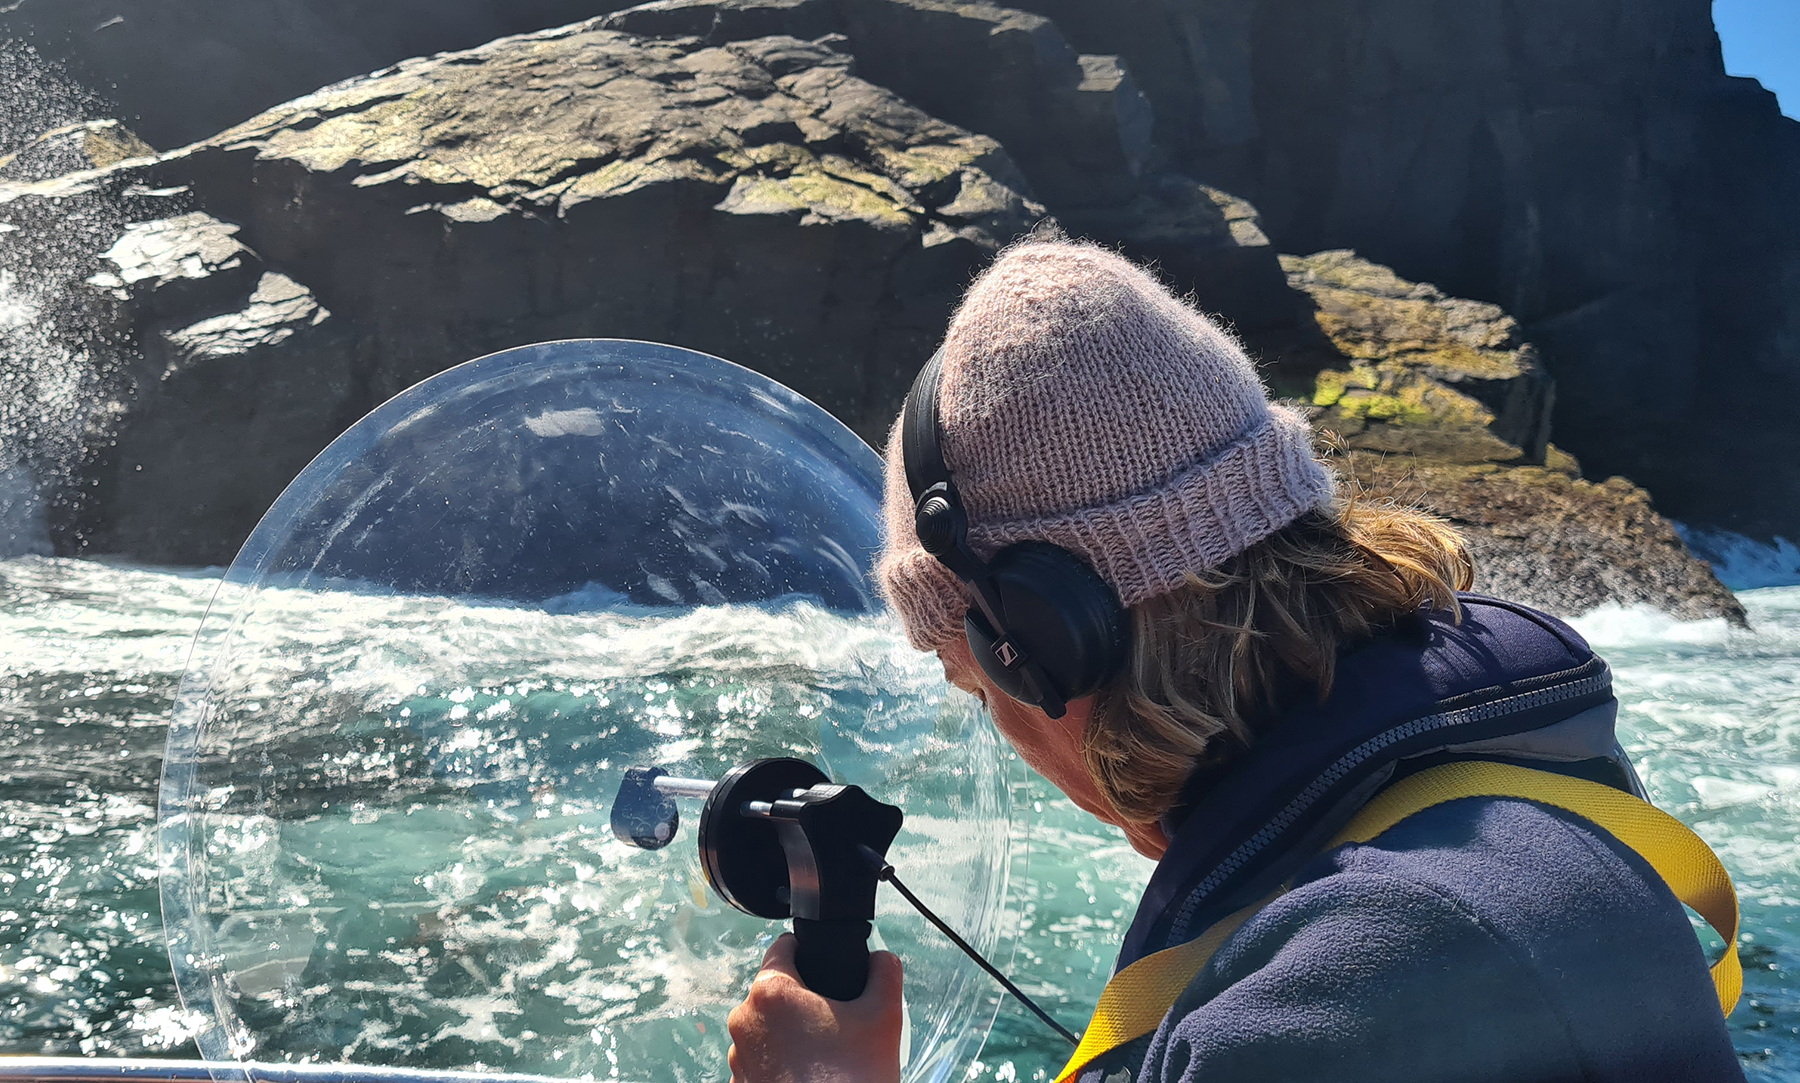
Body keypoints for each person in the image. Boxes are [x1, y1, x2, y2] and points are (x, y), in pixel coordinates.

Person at [724, 237, 1745, 1083]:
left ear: (1040, 648)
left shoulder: (1355, 989)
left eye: (974, 681)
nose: (1001, 724)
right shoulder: (1475, 826)